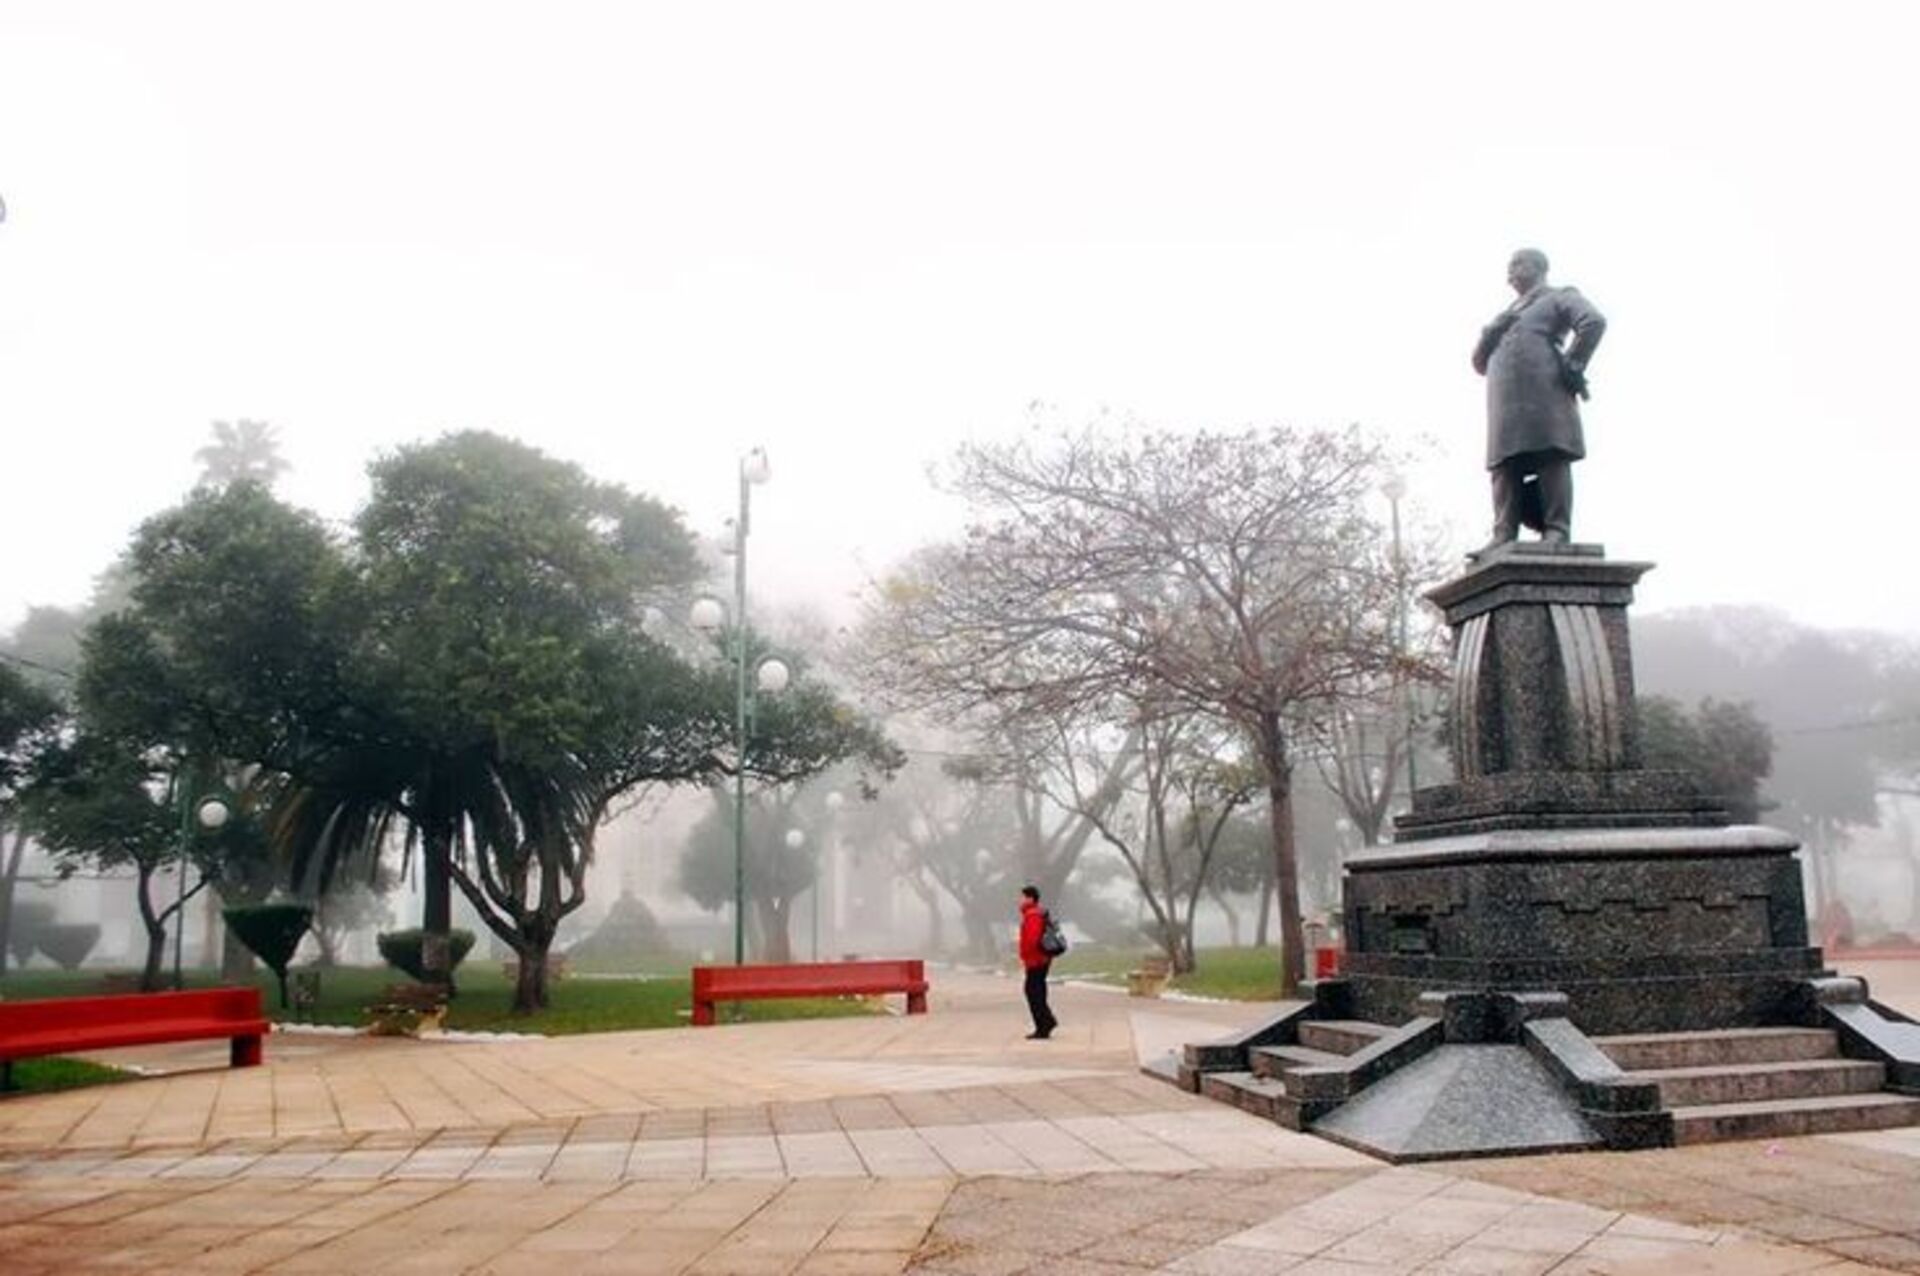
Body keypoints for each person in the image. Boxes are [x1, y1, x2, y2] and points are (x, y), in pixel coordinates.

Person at [1471, 248, 1607, 551]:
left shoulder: (1558, 297)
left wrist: (1573, 363)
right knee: (1503, 465)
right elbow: (1479, 363)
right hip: (1503, 399)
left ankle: (1556, 529)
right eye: (1508, 265)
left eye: (1518, 263)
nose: (1511, 270)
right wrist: (1491, 332)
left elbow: (1593, 321)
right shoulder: (1503, 316)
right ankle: (1503, 532)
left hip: (1544, 390)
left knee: (1550, 455)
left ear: (1540, 267)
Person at [1017, 885, 1058, 1040]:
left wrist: (1026, 955)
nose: (1019, 900)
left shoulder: (1033, 915)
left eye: (1022, 897)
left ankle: (1044, 1025)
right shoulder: (1034, 913)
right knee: (1037, 991)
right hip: (1039, 960)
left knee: (1033, 992)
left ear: (1030, 898)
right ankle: (1046, 1022)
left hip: (1036, 960)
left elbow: (1033, 940)